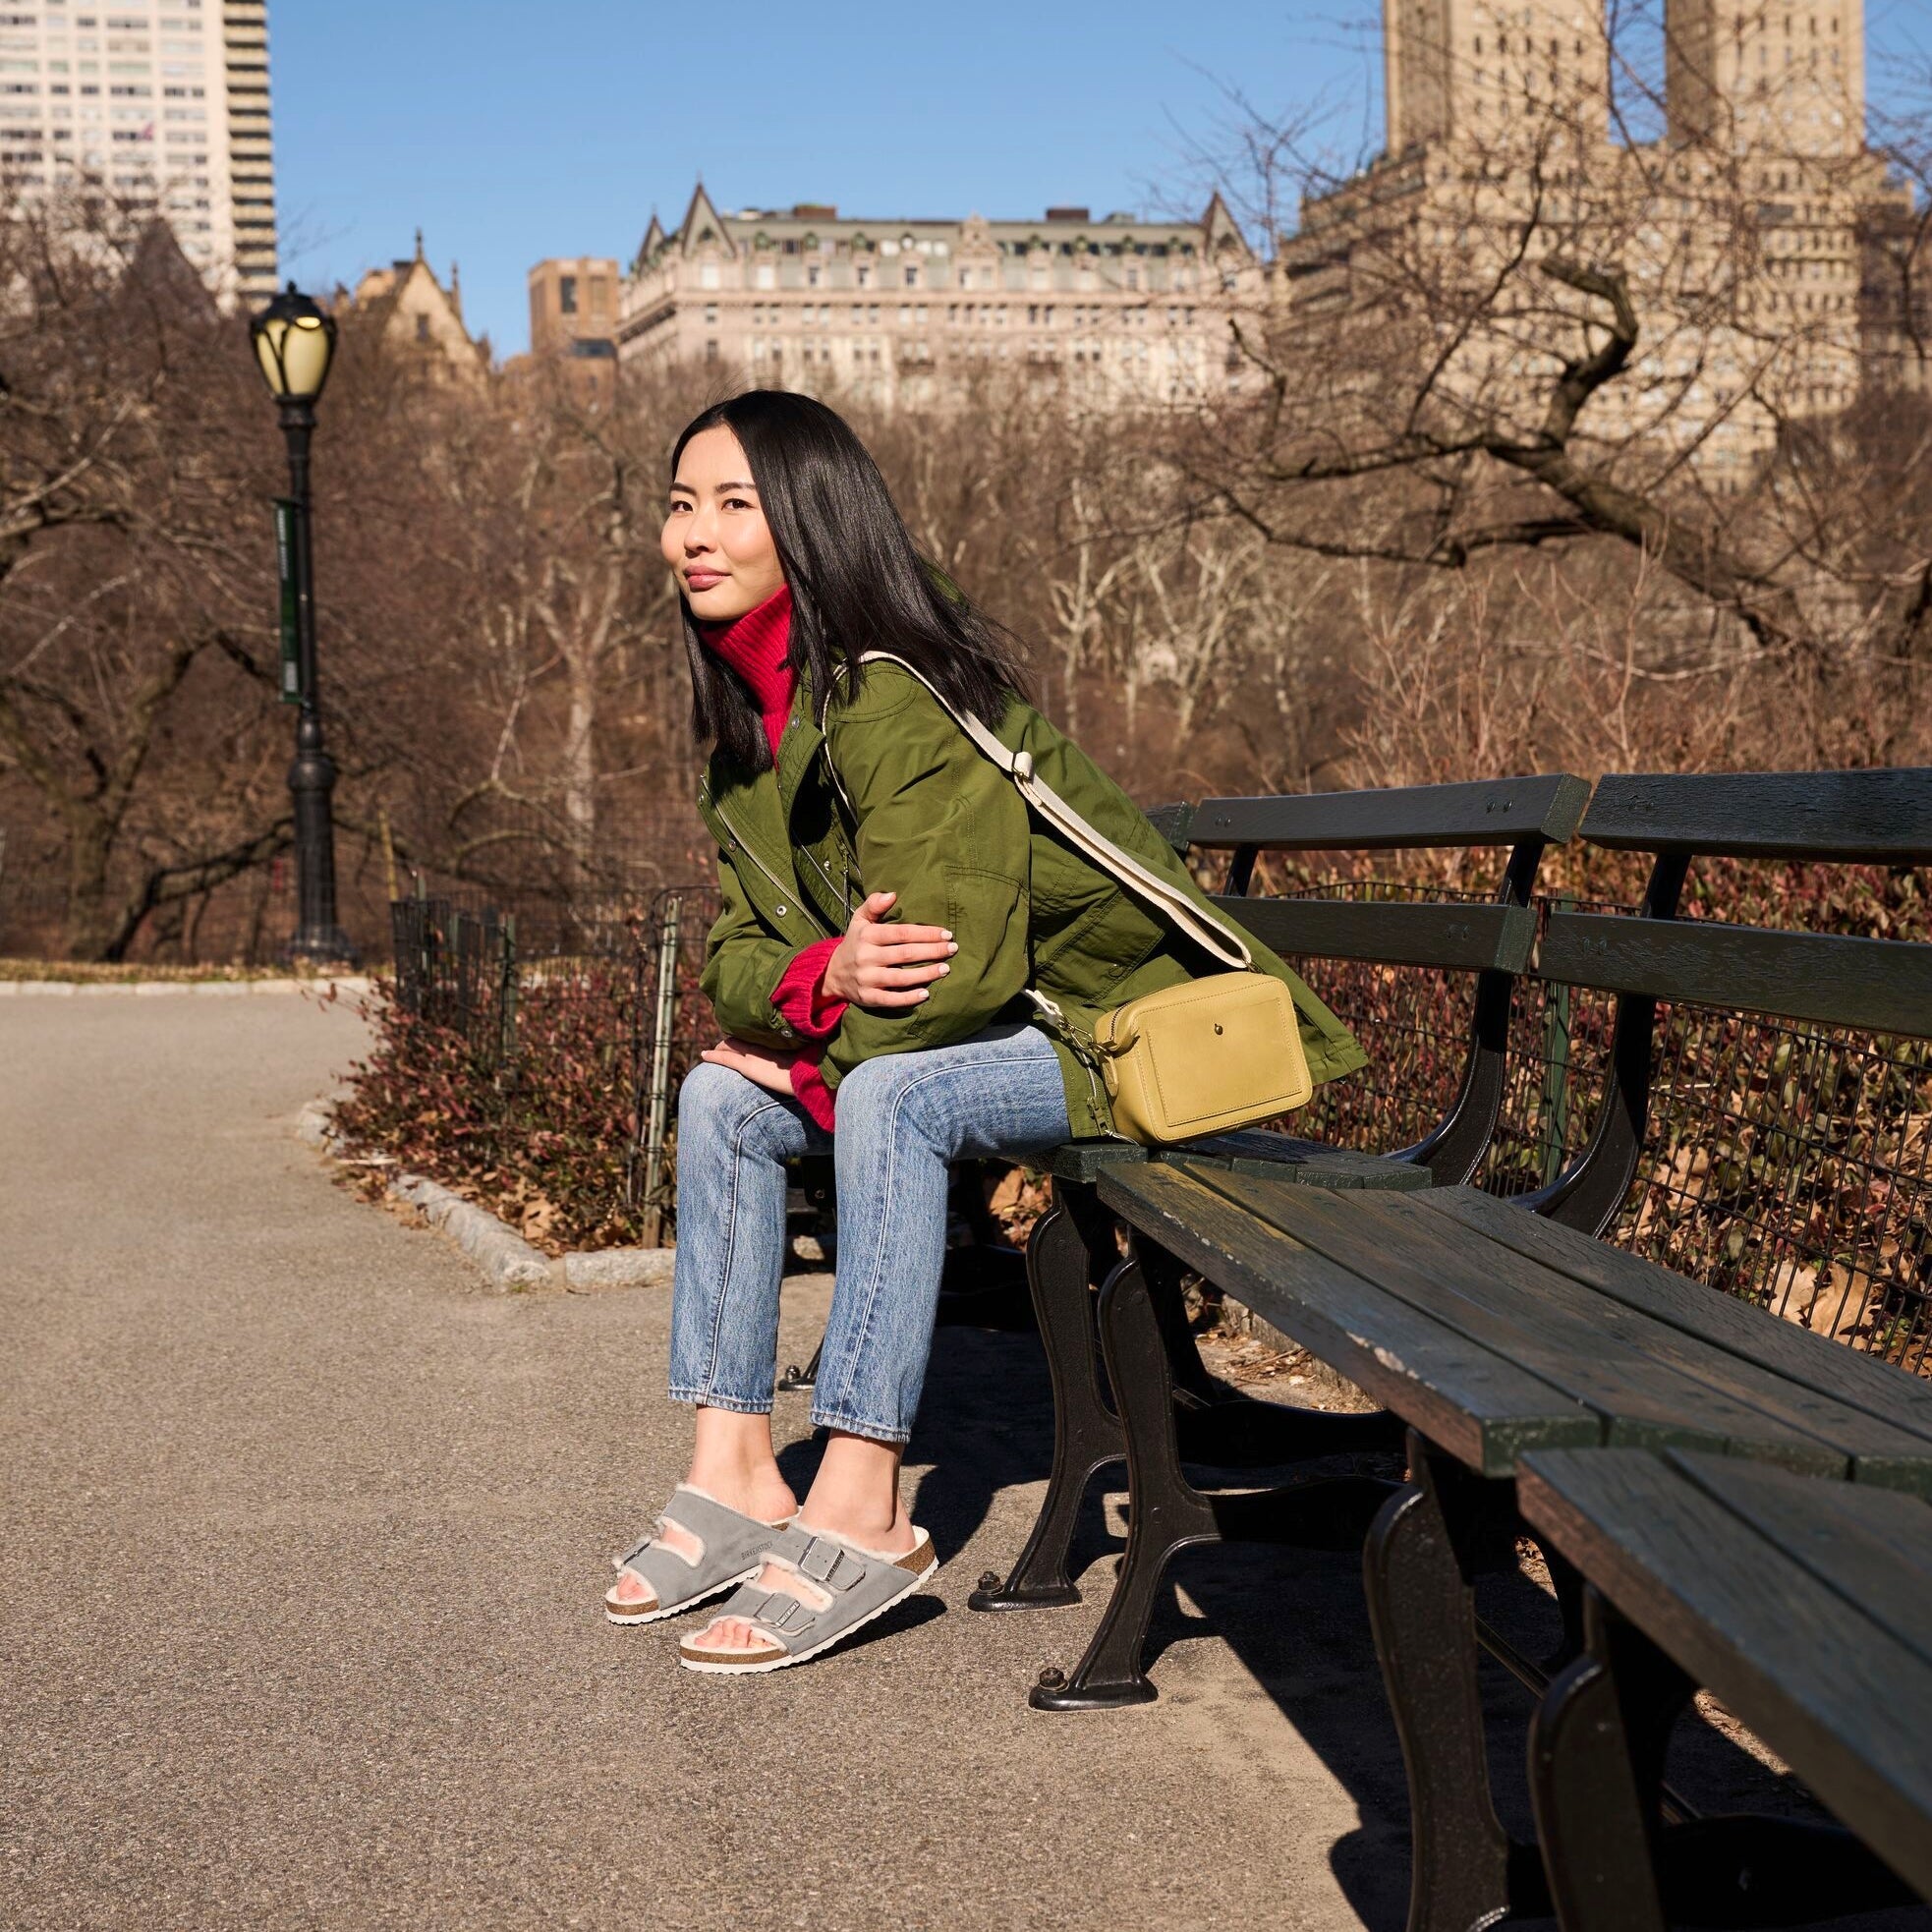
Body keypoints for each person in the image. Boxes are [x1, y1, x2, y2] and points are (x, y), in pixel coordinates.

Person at [603, 389, 1364, 1675]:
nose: (694, 533)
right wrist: (813, 987)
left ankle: (864, 1502)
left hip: (1125, 1033)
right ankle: (734, 1470)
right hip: (989, 1035)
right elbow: (741, 966)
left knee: (892, 1097)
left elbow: (957, 974)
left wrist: (810, 1021)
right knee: (719, 1102)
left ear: (809, 523)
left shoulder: (893, 695)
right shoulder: (743, 742)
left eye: (735, 504)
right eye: (682, 503)